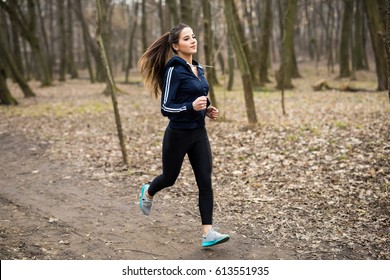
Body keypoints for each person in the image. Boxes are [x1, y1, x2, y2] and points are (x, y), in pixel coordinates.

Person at [137, 23, 229, 247]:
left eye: (194, 37)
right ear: (176, 46)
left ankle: (208, 233)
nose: (193, 41)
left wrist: (206, 109)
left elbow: (197, 100)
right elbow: (166, 107)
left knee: (205, 182)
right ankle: (148, 191)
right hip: (178, 135)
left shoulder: (199, 69)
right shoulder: (173, 70)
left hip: (199, 133)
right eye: (187, 39)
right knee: (169, 178)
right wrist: (191, 107)